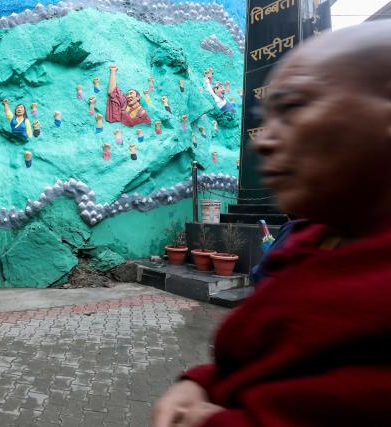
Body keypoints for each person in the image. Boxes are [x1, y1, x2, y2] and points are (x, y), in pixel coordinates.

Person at [153, 21, 391, 427]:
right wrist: (202, 383)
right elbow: (267, 361)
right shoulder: (317, 238)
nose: (261, 141)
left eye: (295, 106)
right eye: (267, 116)